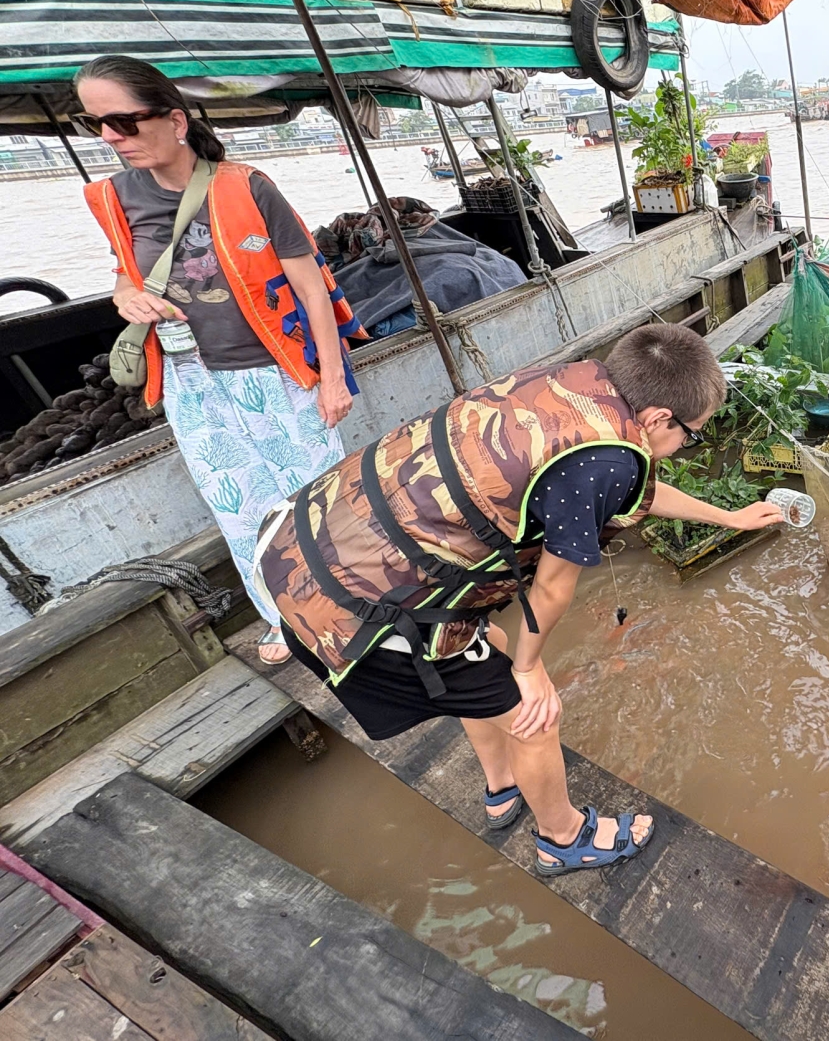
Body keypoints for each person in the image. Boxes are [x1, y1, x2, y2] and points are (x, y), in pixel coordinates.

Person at [255, 323, 786, 870]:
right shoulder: (607, 458)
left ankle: (502, 786)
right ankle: (563, 839)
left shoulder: (578, 388)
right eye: (690, 435)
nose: (685, 446)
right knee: (534, 712)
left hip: (304, 543)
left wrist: (728, 517)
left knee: (491, 642)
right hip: (348, 610)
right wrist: (532, 671)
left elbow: (632, 492)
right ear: (656, 419)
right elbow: (553, 585)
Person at [76, 55, 362, 667]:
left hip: (278, 375)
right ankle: (282, 618)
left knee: (316, 500)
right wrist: (126, 296)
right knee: (240, 508)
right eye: (95, 122)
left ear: (175, 120)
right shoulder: (111, 199)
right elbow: (124, 279)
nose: (109, 138)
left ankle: (352, 606)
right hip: (192, 383)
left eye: (122, 122)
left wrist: (332, 380)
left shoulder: (248, 187)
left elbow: (312, 288)